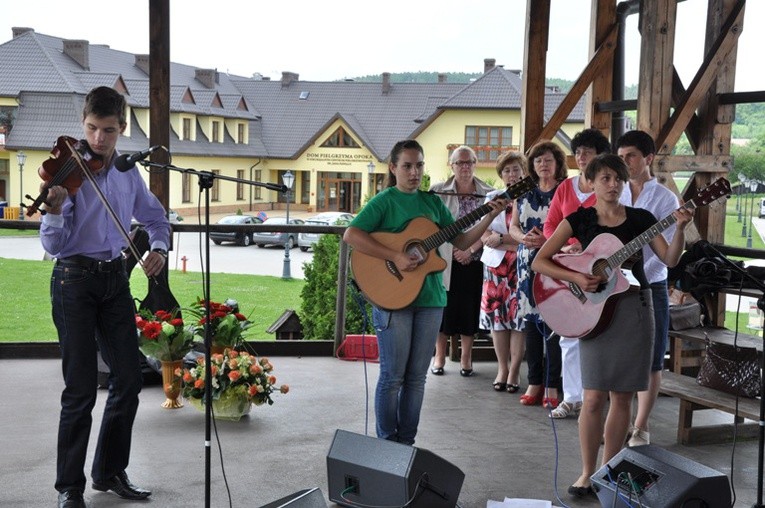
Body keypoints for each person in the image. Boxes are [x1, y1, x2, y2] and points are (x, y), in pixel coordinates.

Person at [531, 153, 692, 497]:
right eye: (604, 178)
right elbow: (540, 261)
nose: (613, 184)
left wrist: (680, 227)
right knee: (592, 398)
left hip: (634, 309)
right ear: (590, 182)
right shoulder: (580, 219)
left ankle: (609, 471)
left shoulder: (642, 219)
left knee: (622, 397)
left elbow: (670, 259)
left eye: (618, 179)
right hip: (592, 313)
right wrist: (577, 275)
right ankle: (587, 473)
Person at [40, 86, 170, 508]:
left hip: (115, 280)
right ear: (84, 124)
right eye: (92, 129)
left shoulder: (128, 172)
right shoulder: (68, 172)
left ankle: (109, 471)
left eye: (108, 131)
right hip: (74, 281)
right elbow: (55, 247)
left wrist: (159, 248)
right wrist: (56, 209)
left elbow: (154, 217)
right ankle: (68, 488)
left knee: (129, 380)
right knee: (79, 390)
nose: (98, 140)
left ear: (122, 129)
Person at [343, 139, 506, 445]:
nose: (414, 172)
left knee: (417, 378)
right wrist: (395, 256)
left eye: (419, 165)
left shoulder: (432, 203)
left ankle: (406, 444)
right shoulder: (385, 201)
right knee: (392, 377)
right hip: (393, 298)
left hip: (431, 297)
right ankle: (386, 444)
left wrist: (488, 215)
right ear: (393, 168)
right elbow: (351, 235)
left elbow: (459, 241)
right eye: (407, 166)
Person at [616, 130, 680, 446]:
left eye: (631, 156)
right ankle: (619, 422)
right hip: (615, 285)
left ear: (648, 159)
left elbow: (668, 253)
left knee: (652, 359)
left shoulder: (666, 199)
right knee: (621, 356)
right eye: (621, 156)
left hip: (651, 284)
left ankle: (641, 426)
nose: (625, 162)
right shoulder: (615, 190)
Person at [542, 128, 611, 419]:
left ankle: (594, 398)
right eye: (578, 151)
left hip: (598, 269)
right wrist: (562, 249)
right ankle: (571, 397)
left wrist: (584, 246)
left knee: (598, 333)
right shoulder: (565, 187)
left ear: (601, 156)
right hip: (567, 269)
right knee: (568, 334)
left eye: (588, 152)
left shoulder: (609, 189)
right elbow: (550, 225)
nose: (581, 157)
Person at [508, 140, 567, 408]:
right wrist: (523, 239)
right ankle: (534, 381)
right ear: (531, 165)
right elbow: (513, 227)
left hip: (554, 261)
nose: (543, 164)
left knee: (553, 322)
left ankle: (553, 384)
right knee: (531, 323)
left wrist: (546, 241)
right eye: (538, 160)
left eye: (548, 160)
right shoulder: (523, 192)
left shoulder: (564, 192)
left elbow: (570, 228)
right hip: (526, 262)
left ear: (557, 164)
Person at [430, 146, 495, 377]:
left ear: (475, 164)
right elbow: (432, 224)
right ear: (452, 165)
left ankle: (467, 358)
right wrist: (457, 248)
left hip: (476, 259)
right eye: (460, 163)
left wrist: (471, 248)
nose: (465, 167)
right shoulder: (438, 191)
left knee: (470, 309)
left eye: (469, 162)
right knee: (443, 307)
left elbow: (492, 227)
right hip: (446, 259)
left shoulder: (489, 192)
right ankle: (440, 356)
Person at [479, 151, 527, 392]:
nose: (511, 174)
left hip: (521, 266)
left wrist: (501, 239)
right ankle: (502, 368)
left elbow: (528, 239)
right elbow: (483, 231)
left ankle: (515, 370)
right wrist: (496, 239)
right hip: (495, 268)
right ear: (501, 175)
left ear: (523, 171)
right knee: (498, 320)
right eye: (507, 170)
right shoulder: (492, 197)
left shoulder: (531, 198)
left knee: (519, 320)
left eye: (516, 169)